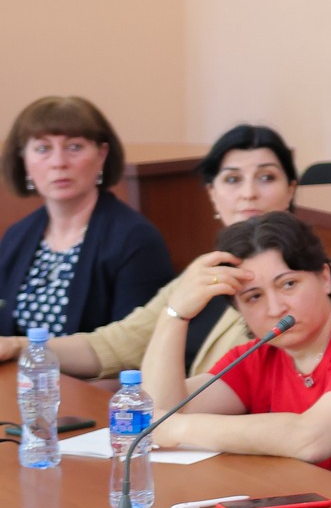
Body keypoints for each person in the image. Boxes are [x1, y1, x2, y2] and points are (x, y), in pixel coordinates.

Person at [140, 212, 331, 502]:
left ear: (325, 278)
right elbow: (158, 412)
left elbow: (313, 439)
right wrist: (175, 314)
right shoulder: (261, 354)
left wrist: (180, 429)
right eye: (254, 297)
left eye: (288, 284)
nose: (276, 308)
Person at [0, 124, 295, 377]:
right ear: (212, 194)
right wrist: (18, 346)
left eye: (266, 178)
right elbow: (118, 344)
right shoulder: (205, 269)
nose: (248, 193)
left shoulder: (299, 278)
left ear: (291, 190)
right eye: (232, 179)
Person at [1, 96, 174, 340]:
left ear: (101, 155)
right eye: (43, 149)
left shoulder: (135, 239)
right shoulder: (16, 236)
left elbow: (135, 346)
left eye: (74, 147)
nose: (59, 162)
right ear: (24, 161)